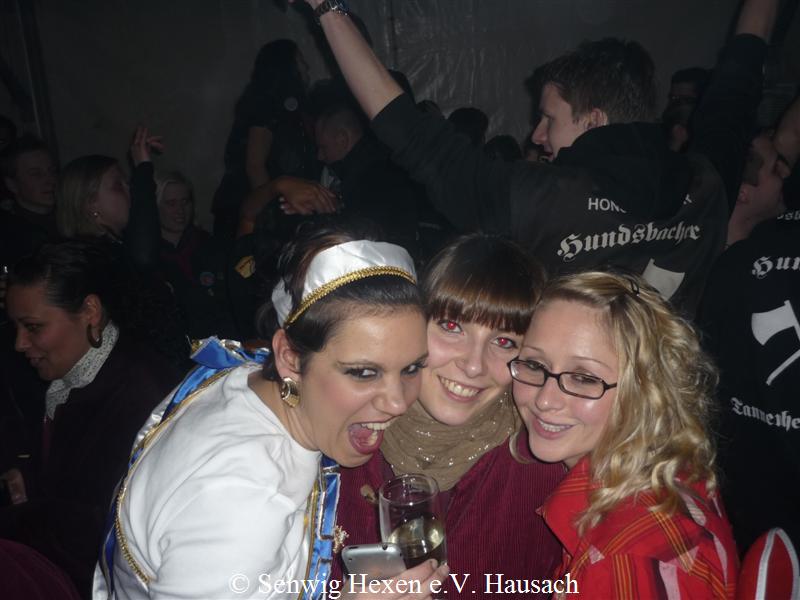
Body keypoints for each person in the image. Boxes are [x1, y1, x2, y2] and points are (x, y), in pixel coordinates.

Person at [296, 0, 776, 315]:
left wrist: (326, 8)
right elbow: (740, 78)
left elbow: (411, 133)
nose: (537, 134)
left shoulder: (543, 198)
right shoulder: (708, 182)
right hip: (668, 416)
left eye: (549, 118)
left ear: (593, 120)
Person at [94, 222, 447, 599]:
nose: (397, 402)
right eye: (363, 372)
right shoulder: (244, 504)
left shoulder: (244, 378)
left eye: (412, 367)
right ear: (289, 357)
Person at [333, 234, 565, 596]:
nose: (473, 365)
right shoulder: (337, 441)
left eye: (504, 341)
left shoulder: (545, 471)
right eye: (452, 326)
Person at [509, 271, 738, 597]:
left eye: (584, 378)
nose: (545, 400)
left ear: (644, 390)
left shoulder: (626, 560)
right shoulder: (666, 464)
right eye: (534, 365)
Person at [2, 240, 180, 597]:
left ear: (90, 312)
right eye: (16, 327)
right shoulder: (73, 378)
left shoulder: (139, 396)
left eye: (33, 327)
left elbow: (102, 530)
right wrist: (28, 478)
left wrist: (20, 516)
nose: (20, 343)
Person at [56, 131, 190, 368]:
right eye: (118, 185)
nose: (128, 189)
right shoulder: (87, 259)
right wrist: (143, 169)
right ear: (91, 204)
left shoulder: (118, 245)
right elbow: (144, 258)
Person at [213, 39, 320, 243]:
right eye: (300, 60)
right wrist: (270, 215)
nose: (307, 66)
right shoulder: (266, 106)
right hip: (254, 212)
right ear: (286, 67)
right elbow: (255, 165)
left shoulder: (295, 110)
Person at [155, 171, 236, 339]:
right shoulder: (150, 257)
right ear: (155, 207)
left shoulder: (210, 245)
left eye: (185, 202)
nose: (180, 210)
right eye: (171, 203)